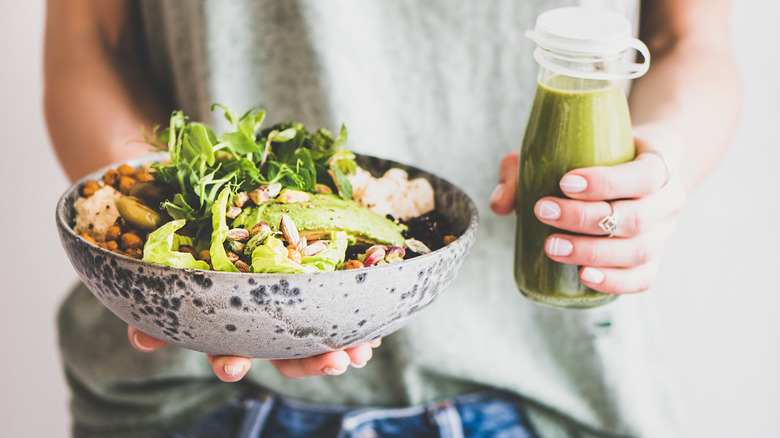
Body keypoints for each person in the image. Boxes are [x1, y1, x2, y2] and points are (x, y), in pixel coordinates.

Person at [44, 0, 741, 437]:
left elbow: (690, 39)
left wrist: (656, 167)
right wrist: (147, 257)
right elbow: (89, 44)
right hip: (190, 400)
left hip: (547, 389)